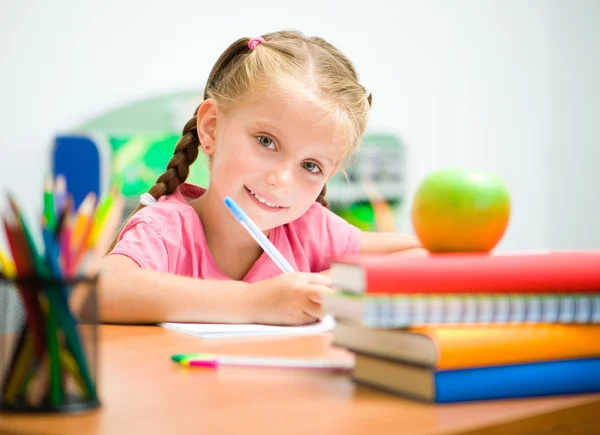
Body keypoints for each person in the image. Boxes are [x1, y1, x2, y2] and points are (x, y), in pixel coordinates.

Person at [97, 30, 425, 326]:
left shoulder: (310, 229)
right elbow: (96, 292)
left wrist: (326, 286)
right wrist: (257, 302)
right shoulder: (166, 230)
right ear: (211, 127)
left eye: (310, 166)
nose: (281, 179)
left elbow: (422, 256)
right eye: (266, 141)